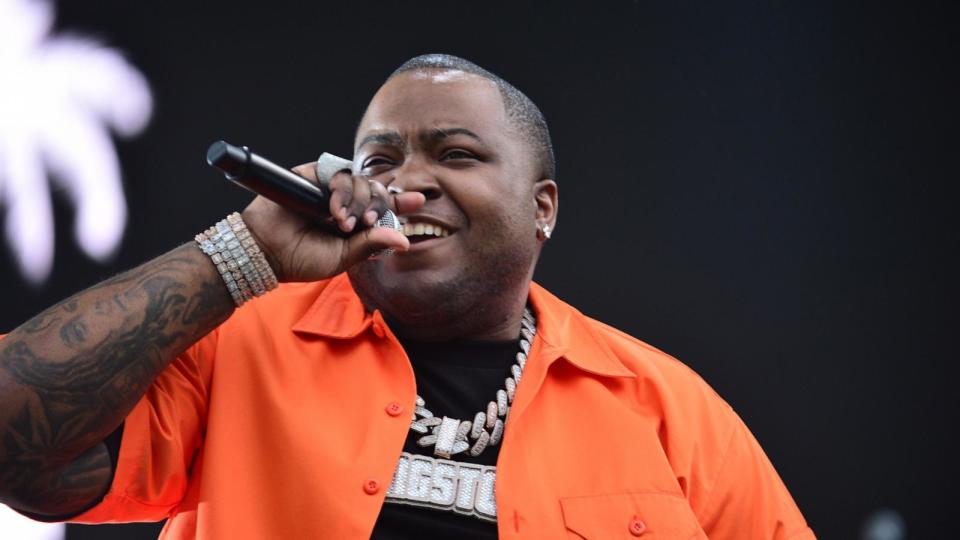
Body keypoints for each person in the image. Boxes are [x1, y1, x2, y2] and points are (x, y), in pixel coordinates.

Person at [0, 54, 814, 539]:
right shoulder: (238, 346)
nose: (406, 186)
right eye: (378, 159)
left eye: (455, 154)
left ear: (543, 208)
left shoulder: (668, 408)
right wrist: (243, 254)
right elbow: (16, 448)